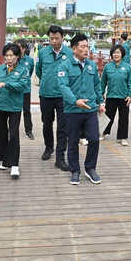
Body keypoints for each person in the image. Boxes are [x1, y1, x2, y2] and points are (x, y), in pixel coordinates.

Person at [57, 34, 106, 185]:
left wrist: (101, 102)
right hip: (73, 110)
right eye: (83, 47)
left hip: (90, 110)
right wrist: (74, 101)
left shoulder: (91, 65)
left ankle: (90, 168)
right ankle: (75, 171)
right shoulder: (64, 66)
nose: (87, 49)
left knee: (94, 139)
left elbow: (97, 85)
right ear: (74, 49)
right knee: (72, 142)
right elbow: (63, 86)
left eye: (88, 46)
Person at [0, 43, 29, 179]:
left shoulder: (22, 70)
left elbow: (22, 86)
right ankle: (4, 160)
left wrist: (6, 84)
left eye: (12, 55)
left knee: (14, 134)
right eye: (7, 55)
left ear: (17, 56)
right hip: (0, 105)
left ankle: (14, 164)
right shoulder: (0, 69)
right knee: (1, 133)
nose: (9, 58)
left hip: (14, 106)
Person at [36, 25, 74, 171]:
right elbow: (38, 71)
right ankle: (49, 147)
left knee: (62, 127)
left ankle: (60, 157)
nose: (54, 41)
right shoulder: (43, 53)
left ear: (62, 38)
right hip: (46, 94)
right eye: (51, 38)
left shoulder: (70, 53)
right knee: (46, 124)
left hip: (63, 96)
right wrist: (47, 81)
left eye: (56, 38)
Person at [100, 44, 131, 146]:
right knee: (108, 116)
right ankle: (103, 132)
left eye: (118, 52)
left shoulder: (127, 67)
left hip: (123, 97)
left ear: (122, 54)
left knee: (124, 117)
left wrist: (130, 95)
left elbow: (130, 82)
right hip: (111, 96)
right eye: (114, 53)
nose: (116, 55)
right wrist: (101, 93)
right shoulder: (108, 66)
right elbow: (103, 81)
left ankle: (122, 137)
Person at [16, 39, 35, 140]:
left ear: (23, 49)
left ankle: (29, 130)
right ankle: (12, 130)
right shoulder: (14, 59)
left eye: (18, 47)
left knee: (27, 110)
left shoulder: (30, 60)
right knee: (14, 111)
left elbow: (30, 72)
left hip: (25, 89)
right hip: (15, 89)